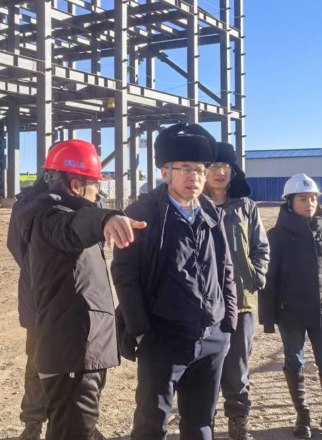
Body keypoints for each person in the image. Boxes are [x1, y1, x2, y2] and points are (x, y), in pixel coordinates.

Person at [111, 123, 238, 440]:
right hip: (162, 337)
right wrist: (140, 330)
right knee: (151, 424)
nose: (194, 176)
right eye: (185, 169)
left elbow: (225, 267)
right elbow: (125, 274)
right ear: (166, 172)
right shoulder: (143, 213)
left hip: (211, 338)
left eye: (200, 169)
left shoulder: (211, 212)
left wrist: (228, 322)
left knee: (201, 423)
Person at [17, 139, 146, 440]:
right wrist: (105, 218)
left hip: (80, 352)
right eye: (94, 185)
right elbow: (73, 225)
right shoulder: (51, 217)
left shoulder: (49, 213)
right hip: (72, 354)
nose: (97, 193)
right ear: (76, 185)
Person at [258, 174, 322, 440]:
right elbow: (269, 280)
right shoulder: (276, 236)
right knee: (294, 362)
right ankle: (303, 415)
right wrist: (268, 318)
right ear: (290, 202)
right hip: (291, 314)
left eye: (313, 198)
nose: (309, 203)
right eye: (303, 199)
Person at [204, 142, 270, 440]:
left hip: (240, 301)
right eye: (214, 166)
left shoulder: (245, 207)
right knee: (203, 368)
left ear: (233, 172)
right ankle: (203, 423)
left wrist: (257, 275)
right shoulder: (194, 204)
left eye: (225, 167)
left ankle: (238, 423)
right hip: (203, 302)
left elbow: (260, 246)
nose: (220, 172)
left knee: (237, 367)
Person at [7, 176, 50, 440]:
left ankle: (78, 419)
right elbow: (18, 247)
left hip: (43, 294)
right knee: (38, 361)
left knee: (40, 361)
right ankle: (34, 423)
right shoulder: (27, 205)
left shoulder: (25, 204)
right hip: (41, 297)